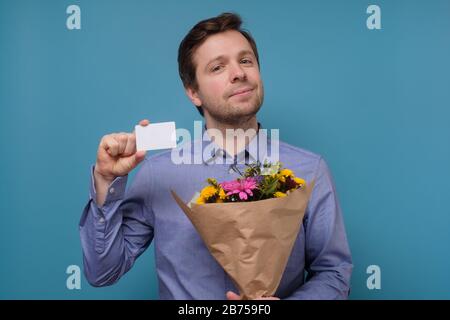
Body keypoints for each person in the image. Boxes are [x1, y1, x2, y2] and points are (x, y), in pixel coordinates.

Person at [79, 12, 353, 300]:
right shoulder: (158, 175)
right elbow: (103, 273)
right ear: (193, 92)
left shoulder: (309, 169)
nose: (239, 73)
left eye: (246, 60)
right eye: (218, 67)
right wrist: (106, 181)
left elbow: (334, 272)